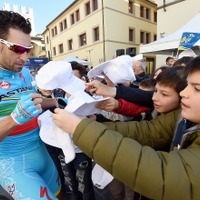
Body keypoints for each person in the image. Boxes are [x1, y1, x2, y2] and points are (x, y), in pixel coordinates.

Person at [52, 56, 200, 199]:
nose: (183, 93)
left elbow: (164, 175)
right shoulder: (182, 115)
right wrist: (89, 124)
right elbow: (147, 130)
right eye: (188, 85)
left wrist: (81, 128)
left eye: (197, 89)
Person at [0, 10, 63, 199]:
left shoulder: (25, 73)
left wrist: (57, 102)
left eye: (28, 50)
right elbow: (20, 114)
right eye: (18, 49)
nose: (25, 57)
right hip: (13, 163)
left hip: (41, 152)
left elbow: (34, 104)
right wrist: (13, 119)